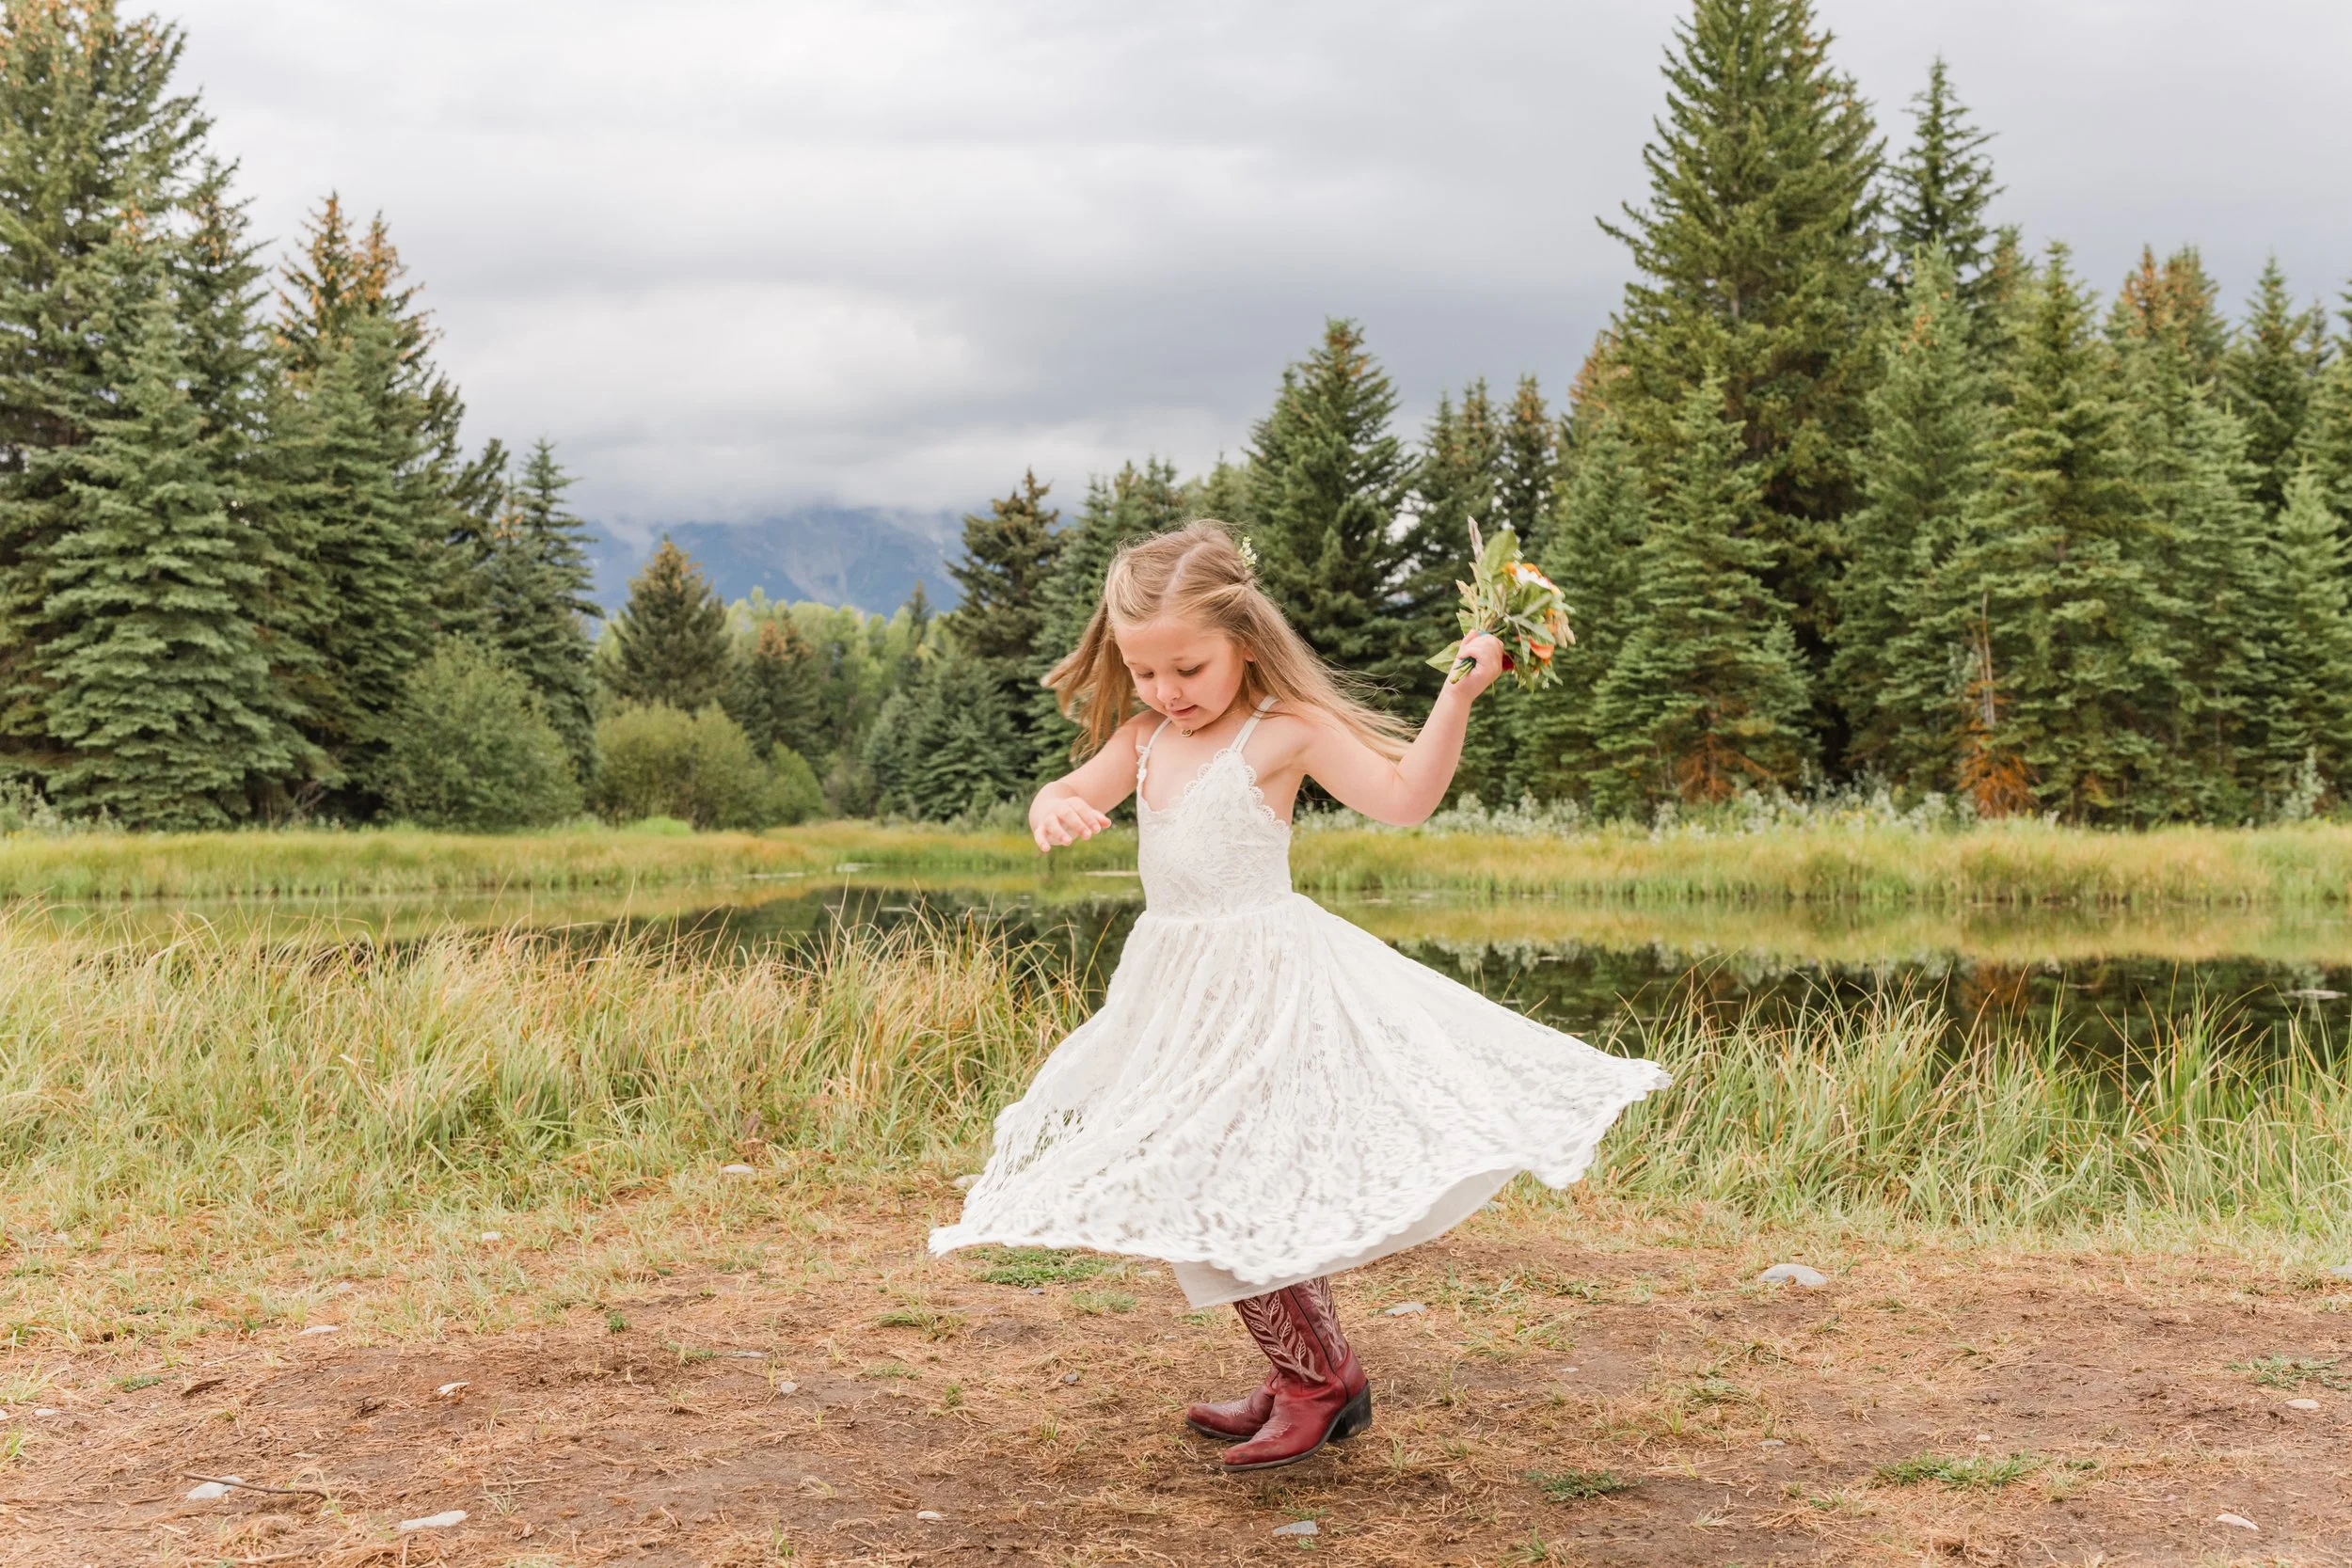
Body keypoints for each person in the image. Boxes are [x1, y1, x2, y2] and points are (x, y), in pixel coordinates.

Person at [929, 520, 1667, 1472]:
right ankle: (1313, 1373)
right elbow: (1067, 785)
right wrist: (1052, 807)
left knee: (1232, 1183)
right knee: (1218, 1183)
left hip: (1268, 989)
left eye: (1187, 668)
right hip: (1178, 995)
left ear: (1244, 637)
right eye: (1146, 672)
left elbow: (1403, 797)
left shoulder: (1284, 733)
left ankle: (1319, 1377)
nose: (1166, 692)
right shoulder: (1144, 740)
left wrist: (1459, 691)